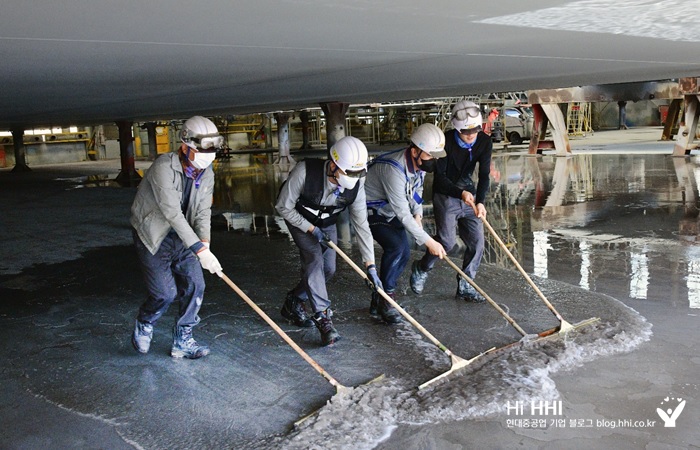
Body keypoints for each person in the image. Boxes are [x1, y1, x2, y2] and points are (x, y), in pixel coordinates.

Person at [130, 115, 224, 359]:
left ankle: (183, 339)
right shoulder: (164, 167)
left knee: (197, 286)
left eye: (212, 150)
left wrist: (205, 244)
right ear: (185, 147)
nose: (208, 156)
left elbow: (203, 211)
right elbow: (171, 212)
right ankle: (145, 321)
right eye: (202, 150)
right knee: (164, 293)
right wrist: (199, 250)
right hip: (154, 235)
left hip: (184, 237)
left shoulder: (206, 172)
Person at [275, 136, 382, 346]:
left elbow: (361, 224)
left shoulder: (357, 184)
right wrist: (310, 229)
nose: (353, 177)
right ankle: (323, 318)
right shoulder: (305, 172)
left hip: (326, 223)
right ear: (333, 165)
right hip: (299, 220)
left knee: (328, 269)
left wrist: (370, 265)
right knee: (313, 258)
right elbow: (283, 207)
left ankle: (294, 301)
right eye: (348, 172)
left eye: (356, 173)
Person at [364, 123, 447, 323]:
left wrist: (418, 215)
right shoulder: (394, 170)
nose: (433, 161)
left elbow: (416, 193)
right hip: (373, 212)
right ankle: (387, 299)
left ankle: (379, 298)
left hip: (391, 212)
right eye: (430, 156)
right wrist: (430, 242)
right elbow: (403, 214)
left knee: (405, 253)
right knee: (396, 247)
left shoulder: (419, 164)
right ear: (414, 151)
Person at [410, 100, 492, 302]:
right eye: (466, 132)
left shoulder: (484, 142)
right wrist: (459, 193)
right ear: (456, 128)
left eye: (474, 130)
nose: (471, 135)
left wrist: (480, 201)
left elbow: (484, 175)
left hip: (469, 195)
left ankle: (466, 284)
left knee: (477, 243)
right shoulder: (443, 142)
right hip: (446, 194)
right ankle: (422, 267)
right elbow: (441, 179)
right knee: (446, 242)